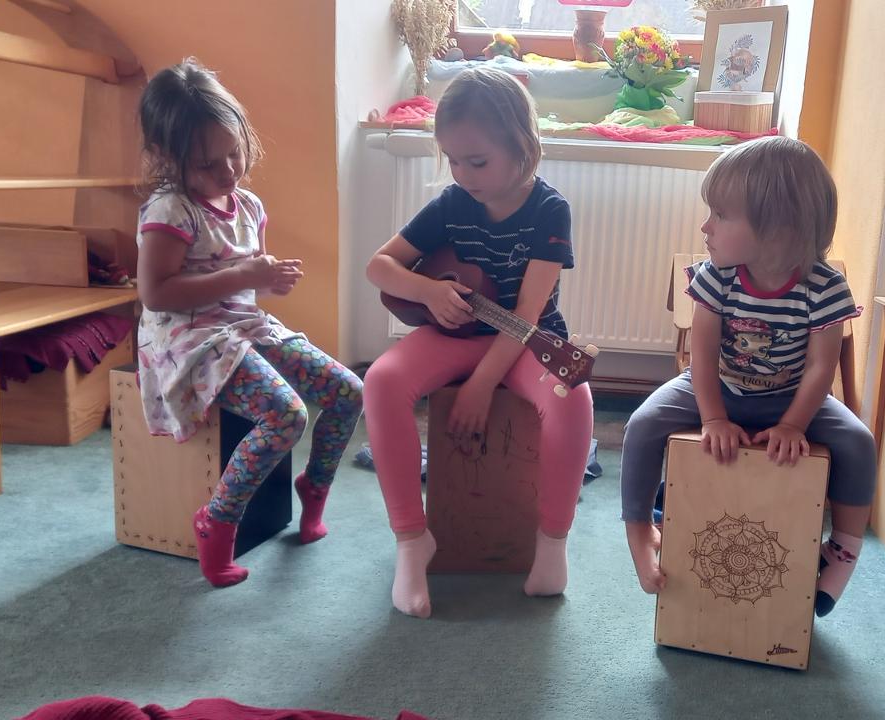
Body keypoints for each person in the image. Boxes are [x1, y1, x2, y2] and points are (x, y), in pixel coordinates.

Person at [364, 67, 594, 618]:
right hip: (456, 335)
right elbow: (379, 266)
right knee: (381, 381)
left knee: (573, 397)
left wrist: (481, 386)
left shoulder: (549, 210)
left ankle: (552, 545)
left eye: (478, 161)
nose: (463, 174)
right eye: (453, 160)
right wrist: (427, 290)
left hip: (525, 341)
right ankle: (411, 540)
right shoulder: (452, 203)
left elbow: (526, 315)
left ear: (522, 145)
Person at [620, 136, 875, 617]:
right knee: (643, 424)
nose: (705, 226)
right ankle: (640, 531)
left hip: (792, 397)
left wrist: (793, 424)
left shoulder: (825, 287)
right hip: (717, 386)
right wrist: (713, 418)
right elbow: (701, 354)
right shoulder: (716, 276)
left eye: (720, 215)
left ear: (778, 229)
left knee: (859, 442)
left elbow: (821, 367)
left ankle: (842, 551)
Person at [134, 59, 362, 588]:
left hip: (241, 324)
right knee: (286, 414)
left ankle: (314, 489)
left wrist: (266, 280)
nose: (229, 171)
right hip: (188, 336)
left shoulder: (248, 205)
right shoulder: (170, 211)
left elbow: (242, 281)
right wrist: (244, 275)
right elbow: (157, 294)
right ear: (168, 157)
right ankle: (216, 521)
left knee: (349, 391)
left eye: (235, 152)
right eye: (208, 163)